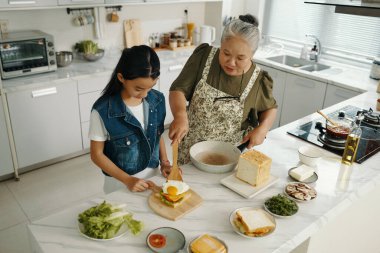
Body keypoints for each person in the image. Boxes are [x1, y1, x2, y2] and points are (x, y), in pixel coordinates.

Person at [169, 14, 278, 165]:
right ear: (221, 44)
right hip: (190, 152)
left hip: (231, 157)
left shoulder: (259, 80)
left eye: (240, 58)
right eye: (226, 53)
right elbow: (178, 89)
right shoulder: (204, 57)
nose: (231, 63)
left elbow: (270, 108)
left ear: (252, 55)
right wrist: (180, 115)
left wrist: (263, 128)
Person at [89, 45, 172, 194]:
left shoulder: (157, 100)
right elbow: (96, 155)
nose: (145, 94)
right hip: (119, 183)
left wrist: (165, 162)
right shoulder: (102, 110)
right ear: (121, 78)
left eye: (150, 87)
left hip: (152, 178)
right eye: (139, 89)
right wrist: (128, 180)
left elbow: (156, 134)